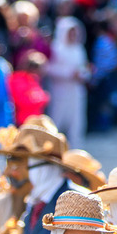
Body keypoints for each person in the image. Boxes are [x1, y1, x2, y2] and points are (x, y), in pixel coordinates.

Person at [13, 117, 89, 234]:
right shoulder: (34, 203)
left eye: (29, 167)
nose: (24, 174)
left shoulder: (78, 202)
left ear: (44, 168)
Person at [46, 16, 89, 149]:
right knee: (56, 123)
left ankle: (76, 150)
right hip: (60, 92)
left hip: (76, 92)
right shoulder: (56, 48)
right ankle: (52, 149)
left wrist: (84, 75)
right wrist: (69, 73)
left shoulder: (79, 48)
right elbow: (49, 68)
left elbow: (84, 68)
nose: (73, 35)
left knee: (77, 124)